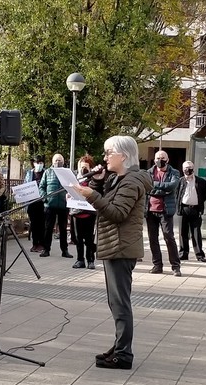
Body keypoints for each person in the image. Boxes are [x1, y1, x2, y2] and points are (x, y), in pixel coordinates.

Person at [72, 135, 152, 370]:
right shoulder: (119, 179)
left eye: (109, 153)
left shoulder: (132, 181)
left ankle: (124, 353)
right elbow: (107, 201)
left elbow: (117, 213)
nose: (105, 157)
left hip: (121, 247)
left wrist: (92, 195)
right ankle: (119, 347)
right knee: (115, 301)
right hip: (115, 245)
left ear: (123, 156)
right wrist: (96, 183)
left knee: (120, 303)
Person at [145, 150, 182, 277]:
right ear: (154, 159)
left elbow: (172, 186)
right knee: (152, 239)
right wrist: (162, 189)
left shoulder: (174, 172)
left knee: (169, 237)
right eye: (158, 157)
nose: (160, 160)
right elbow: (147, 187)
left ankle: (175, 266)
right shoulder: (148, 172)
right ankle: (157, 265)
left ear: (168, 159)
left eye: (163, 157)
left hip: (166, 211)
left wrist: (154, 187)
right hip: (150, 210)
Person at [38, 154, 72, 258]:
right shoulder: (47, 172)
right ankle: (46, 249)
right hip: (50, 204)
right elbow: (41, 187)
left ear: (63, 161)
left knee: (63, 229)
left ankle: (65, 250)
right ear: (53, 162)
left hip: (63, 205)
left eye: (60, 160)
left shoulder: (67, 172)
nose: (58, 162)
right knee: (48, 228)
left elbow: (72, 186)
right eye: (56, 160)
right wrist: (45, 197)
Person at [176, 160, 206, 262]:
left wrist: (199, 206)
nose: (188, 169)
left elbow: (204, 195)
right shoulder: (180, 181)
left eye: (190, 167)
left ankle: (199, 255)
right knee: (183, 233)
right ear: (182, 169)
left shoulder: (201, 181)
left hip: (195, 209)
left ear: (193, 168)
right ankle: (183, 253)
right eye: (186, 167)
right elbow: (176, 195)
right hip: (183, 209)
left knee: (196, 233)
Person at [70, 155, 97, 269]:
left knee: (89, 238)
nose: (83, 170)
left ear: (90, 168)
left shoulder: (93, 180)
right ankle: (80, 260)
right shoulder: (75, 180)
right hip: (77, 213)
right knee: (78, 238)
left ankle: (90, 260)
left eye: (86, 167)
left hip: (89, 213)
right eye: (81, 167)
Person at [24, 155, 46, 252]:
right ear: (34, 163)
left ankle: (42, 244)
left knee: (41, 224)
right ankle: (35, 243)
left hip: (42, 203)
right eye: (37, 163)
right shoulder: (29, 174)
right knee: (33, 224)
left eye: (41, 163)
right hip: (32, 203)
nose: (39, 165)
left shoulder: (46, 173)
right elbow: (25, 186)